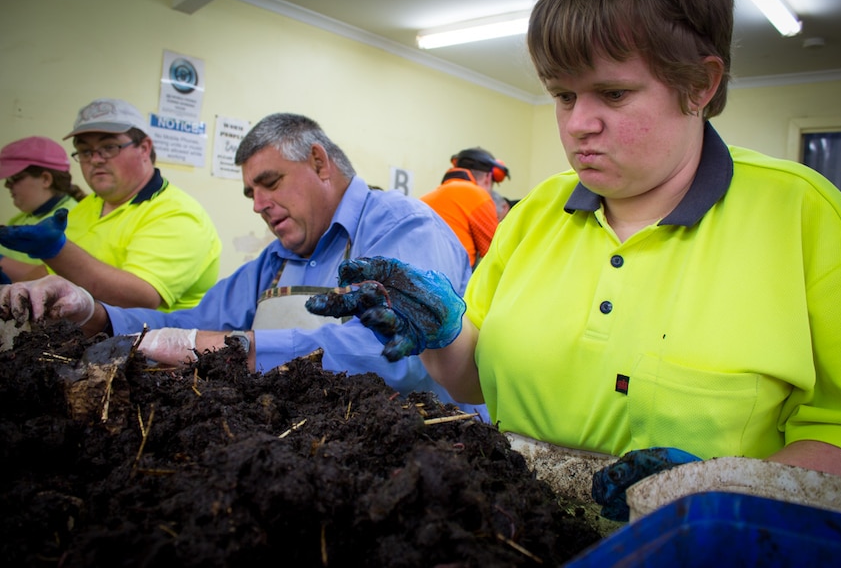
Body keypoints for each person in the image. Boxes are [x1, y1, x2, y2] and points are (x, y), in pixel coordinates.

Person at [304, 0, 841, 520]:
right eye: (564, 96)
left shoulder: (805, 219)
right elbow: (474, 384)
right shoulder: (535, 214)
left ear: (699, 84)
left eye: (613, 94)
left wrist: (731, 489)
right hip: (514, 522)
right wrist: (444, 336)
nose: (577, 125)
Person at [0, 112, 485, 418]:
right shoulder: (274, 260)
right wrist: (93, 313)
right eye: (251, 192)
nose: (258, 204)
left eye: (270, 183)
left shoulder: (403, 228)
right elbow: (191, 323)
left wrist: (228, 348)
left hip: (422, 439)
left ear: (320, 163)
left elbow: (389, 357)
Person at [0, 98, 221, 311]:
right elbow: (53, 276)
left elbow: (140, 297)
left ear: (144, 148)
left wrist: (55, 250)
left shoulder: (178, 214)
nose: (95, 159)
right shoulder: (87, 206)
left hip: (148, 344)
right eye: (86, 151)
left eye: (109, 147)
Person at [0, 136, 86, 283]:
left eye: (14, 178)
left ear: (46, 179)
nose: (7, 185)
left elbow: (54, 278)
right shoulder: (22, 218)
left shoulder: (72, 218)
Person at [420, 147, 510, 268]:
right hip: (451, 282)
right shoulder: (477, 195)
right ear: (488, 178)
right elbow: (496, 254)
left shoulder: (425, 199)